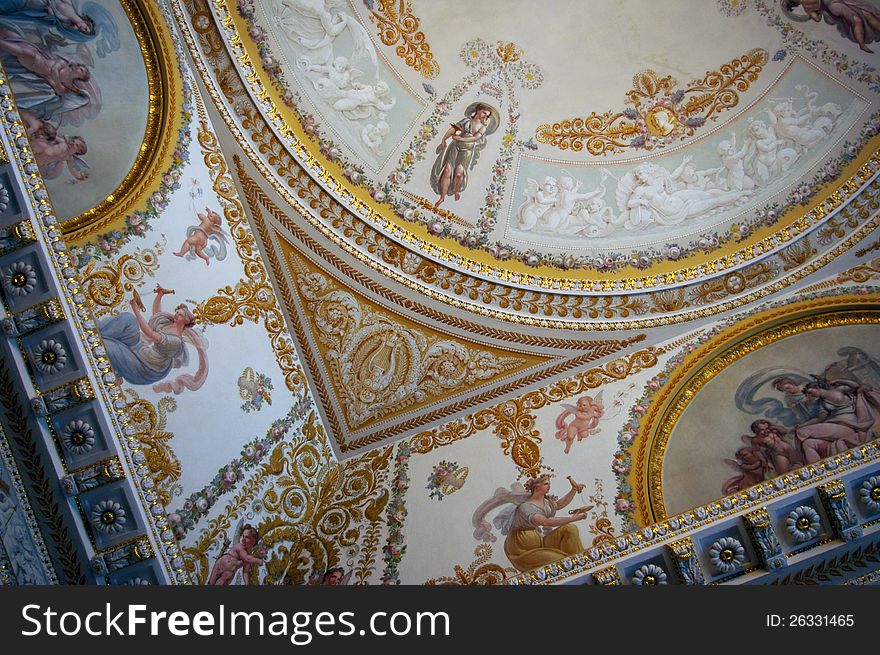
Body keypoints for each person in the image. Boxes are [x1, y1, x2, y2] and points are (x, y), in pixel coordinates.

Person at [98, 284, 208, 394]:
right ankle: (98, 332)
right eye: (177, 312)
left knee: (108, 346)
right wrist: (160, 295)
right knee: (128, 319)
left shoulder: (176, 341)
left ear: (186, 321)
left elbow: (150, 333)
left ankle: (110, 359)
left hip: (146, 367)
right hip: (142, 352)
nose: (176, 315)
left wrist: (136, 311)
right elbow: (157, 314)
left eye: (180, 315)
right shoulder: (168, 324)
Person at [503, 475, 588, 572]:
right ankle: (578, 569)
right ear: (537, 486)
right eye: (546, 484)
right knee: (563, 561)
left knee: (570, 529)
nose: (549, 486)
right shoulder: (525, 506)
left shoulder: (546, 502)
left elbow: (559, 504)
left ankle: (582, 566)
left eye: (549, 484)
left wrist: (573, 490)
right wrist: (572, 518)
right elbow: (545, 522)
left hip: (539, 543)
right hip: (523, 551)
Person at [793, 379, 880, 462]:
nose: (811, 395)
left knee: (802, 432)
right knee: (808, 443)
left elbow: (856, 386)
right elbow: (819, 418)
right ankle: (817, 471)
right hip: (837, 426)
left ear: (817, 387)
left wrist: (838, 380)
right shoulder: (822, 404)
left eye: (810, 392)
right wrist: (802, 425)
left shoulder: (838, 390)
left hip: (849, 426)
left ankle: (798, 462)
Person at [431, 103, 496, 206]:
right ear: (478, 110)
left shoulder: (482, 127)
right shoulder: (466, 121)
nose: (485, 116)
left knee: (459, 173)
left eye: (487, 115)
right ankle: (442, 197)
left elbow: (475, 138)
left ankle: (456, 190)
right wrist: (444, 139)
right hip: (455, 146)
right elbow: (453, 129)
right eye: (484, 113)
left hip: (467, 150)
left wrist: (461, 138)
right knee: (447, 170)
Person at [785, 0, 880, 53]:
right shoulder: (807, 6)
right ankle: (862, 45)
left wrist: (818, 11)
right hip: (834, 4)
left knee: (865, 15)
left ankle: (862, 45)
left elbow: (817, 18)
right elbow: (817, 19)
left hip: (836, 3)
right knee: (859, 19)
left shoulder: (807, 7)